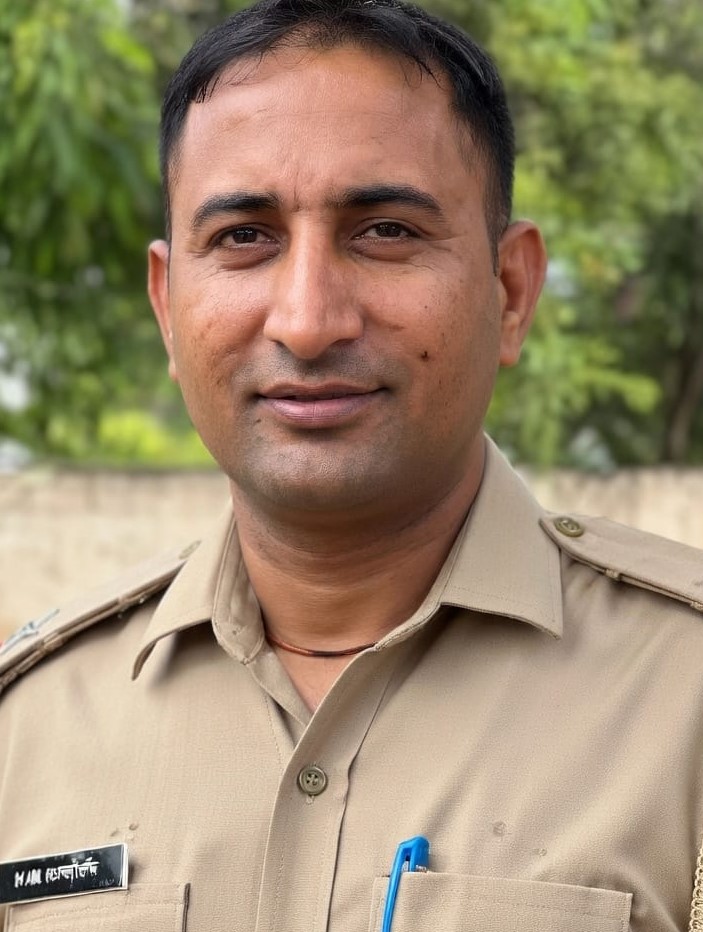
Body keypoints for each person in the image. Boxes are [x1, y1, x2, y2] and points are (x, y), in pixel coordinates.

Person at [1, 1, 703, 929]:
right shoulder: (28, 729)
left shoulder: (682, 699)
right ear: (168, 309)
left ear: (510, 291)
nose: (306, 320)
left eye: (385, 231)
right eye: (243, 237)